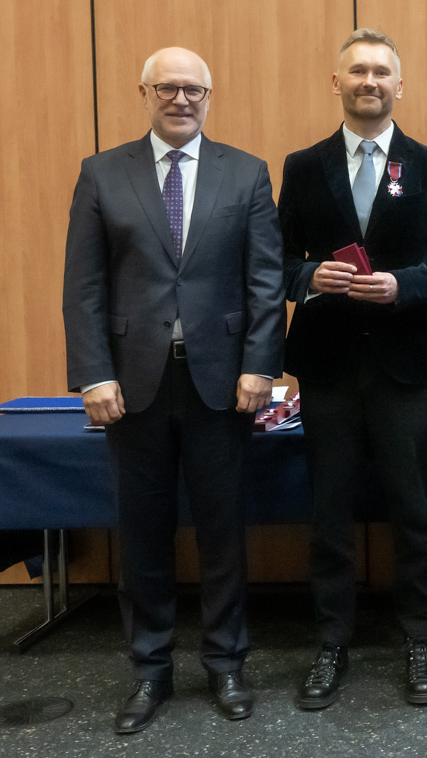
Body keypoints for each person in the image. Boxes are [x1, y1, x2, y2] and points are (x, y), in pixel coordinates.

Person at [62, 47, 285, 733]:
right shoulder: (102, 173)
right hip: (132, 387)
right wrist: (94, 373)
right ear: (145, 93)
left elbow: (265, 280)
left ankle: (226, 663)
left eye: (193, 89)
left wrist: (261, 365)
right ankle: (149, 669)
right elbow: (84, 286)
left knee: (222, 532)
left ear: (209, 97)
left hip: (223, 384)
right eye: (167, 88)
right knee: (142, 534)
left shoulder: (246, 172)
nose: (181, 99)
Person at [279, 29, 427, 710]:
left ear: (399, 85)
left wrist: (403, 285)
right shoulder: (303, 166)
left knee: (413, 511)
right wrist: (309, 276)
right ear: (337, 83)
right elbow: (276, 260)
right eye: (357, 70)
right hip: (326, 366)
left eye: (382, 72)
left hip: (406, 367)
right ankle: (332, 641)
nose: (370, 81)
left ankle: (420, 638)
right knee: (328, 511)